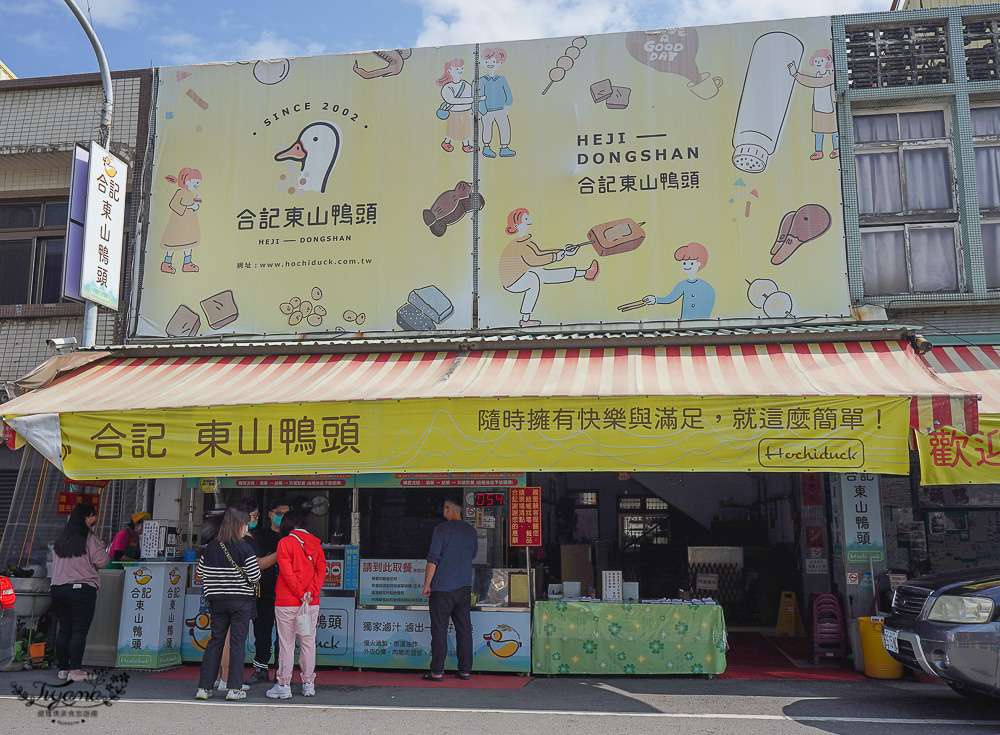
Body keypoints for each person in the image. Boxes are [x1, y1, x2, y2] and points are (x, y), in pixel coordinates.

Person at [195, 507, 261, 701]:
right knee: (237, 643)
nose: (246, 528)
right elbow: (255, 576)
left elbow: (201, 572)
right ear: (240, 526)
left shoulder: (211, 547)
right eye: (245, 525)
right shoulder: (245, 547)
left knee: (216, 641)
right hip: (241, 600)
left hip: (217, 600)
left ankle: (204, 688)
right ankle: (234, 688)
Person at [499, 208, 599, 327]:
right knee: (533, 279)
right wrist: (556, 256)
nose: (529, 219)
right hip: (512, 281)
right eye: (526, 218)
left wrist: (563, 251)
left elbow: (540, 253)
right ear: (517, 225)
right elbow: (534, 260)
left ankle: (586, 274)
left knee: (541, 274)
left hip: (521, 274)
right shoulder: (520, 245)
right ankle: (525, 320)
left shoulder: (526, 241)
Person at [267, 512, 325, 700]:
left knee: (286, 643)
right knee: (308, 641)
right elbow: (321, 570)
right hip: (310, 602)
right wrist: (310, 593)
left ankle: (283, 685)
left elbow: (287, 572)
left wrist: (300, 593)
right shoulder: (315, 543)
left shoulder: (284, 543)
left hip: (286, 601)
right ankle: (308, 683)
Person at [50, 503, 110, 682]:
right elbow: (103, 562)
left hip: (58, 589)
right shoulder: (89, 538)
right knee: (79, 630)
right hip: (81, 589)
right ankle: (75, 670)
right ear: (84, 518)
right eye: (92, 516)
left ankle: (63, 669)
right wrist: (102, 547)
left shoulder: (61, 539)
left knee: (64, 629)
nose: (94, 519)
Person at [421, 498, 478, 681]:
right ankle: (465, 671)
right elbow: (473, 554)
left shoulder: (441, 529)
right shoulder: (471, 531)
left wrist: (427, 584)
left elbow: (433, 558)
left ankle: (437, 672)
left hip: (442, 589)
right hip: (463, 588)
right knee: (464, 630)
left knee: (439, 630)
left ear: (447, 510)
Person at [246, 499, 287, 685]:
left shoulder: (292, 537)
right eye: (278, 513)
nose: (282, 517)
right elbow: (256, 564)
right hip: (263, 590)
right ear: (270, 514)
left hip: (287, 592)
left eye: (286, 514)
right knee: (261, 632)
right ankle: (260, 669)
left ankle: (282, 671)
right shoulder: (258, 537)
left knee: (284, 635)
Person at [641, 242, 715, 320]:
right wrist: (655, 300)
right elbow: (670, 298)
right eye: (684, 263)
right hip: (685, 322)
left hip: (702, 322)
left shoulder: (706, 287)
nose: (687, 266)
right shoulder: (682, 285)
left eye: (691, 263)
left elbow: (709, 303)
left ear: (699, 264)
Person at [789, 50, 838, 161]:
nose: (818, 62)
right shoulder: (817, 74)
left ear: (827, 61)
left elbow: (815, 82)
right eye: (816, 60)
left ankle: (836, 148)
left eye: (821, 60)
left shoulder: (829, 76)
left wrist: (796, 74)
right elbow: (809, 77)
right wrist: (796, 72)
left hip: (829, 106)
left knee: (833, 129)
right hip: (818, 106)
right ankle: (818, 151)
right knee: (818, 130)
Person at [159, 167, 203, 273]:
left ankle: (187, 264)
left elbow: (190, 204)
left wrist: (195, 204)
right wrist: (190, 207)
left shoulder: (189, 193)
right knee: (172, 244)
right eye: (196, 182)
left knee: (188, 244)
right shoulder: (180, 192)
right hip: (177, 224)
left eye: (199, 183)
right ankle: (166, 263)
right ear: (187, 181)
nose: (198, 185)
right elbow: (173, 204)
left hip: (187, 224)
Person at [477, 47, 515, 158]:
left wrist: (507, 107)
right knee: (487, 128)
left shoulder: (501, 79)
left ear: (499, 63)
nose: (490, 64)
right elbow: (479, 96)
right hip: (487, 110)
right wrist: (482, 110)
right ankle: (486, 147)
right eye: (487, 61)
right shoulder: (482, 80)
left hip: (500, 110)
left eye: (493, 61)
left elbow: (508, 94)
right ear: (483, 62)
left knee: (504, 127)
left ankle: (504, 148)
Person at [436, 58, 473, 153]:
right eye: (457, 69)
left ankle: (466, 145)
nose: (460, 71)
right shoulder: (447, 87)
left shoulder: (466, 84)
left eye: (461, 68)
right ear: (449, 71)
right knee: (452, 129)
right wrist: (471, 100)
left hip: (466, 110)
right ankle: (446, 142)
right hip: (453, 111)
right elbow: (452, 100)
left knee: (466, 128)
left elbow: (471, 95)